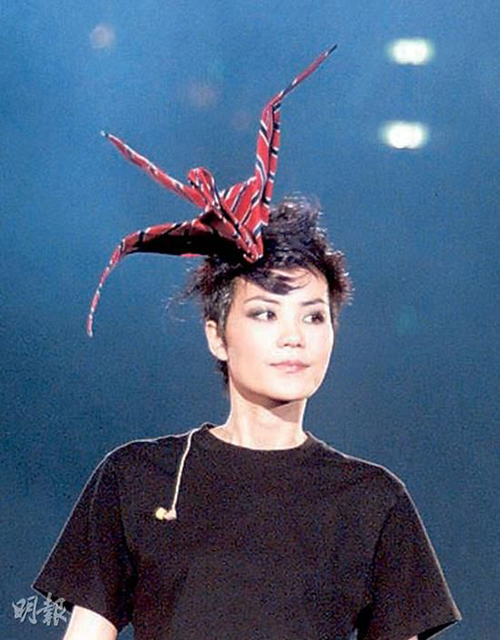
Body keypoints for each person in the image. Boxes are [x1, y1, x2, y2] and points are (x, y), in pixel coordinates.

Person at [32, 50, 461, 640]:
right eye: (264, 313)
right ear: (217, 335)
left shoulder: (372, 502)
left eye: (314, 316)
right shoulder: (138, 478)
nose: (293, 336)